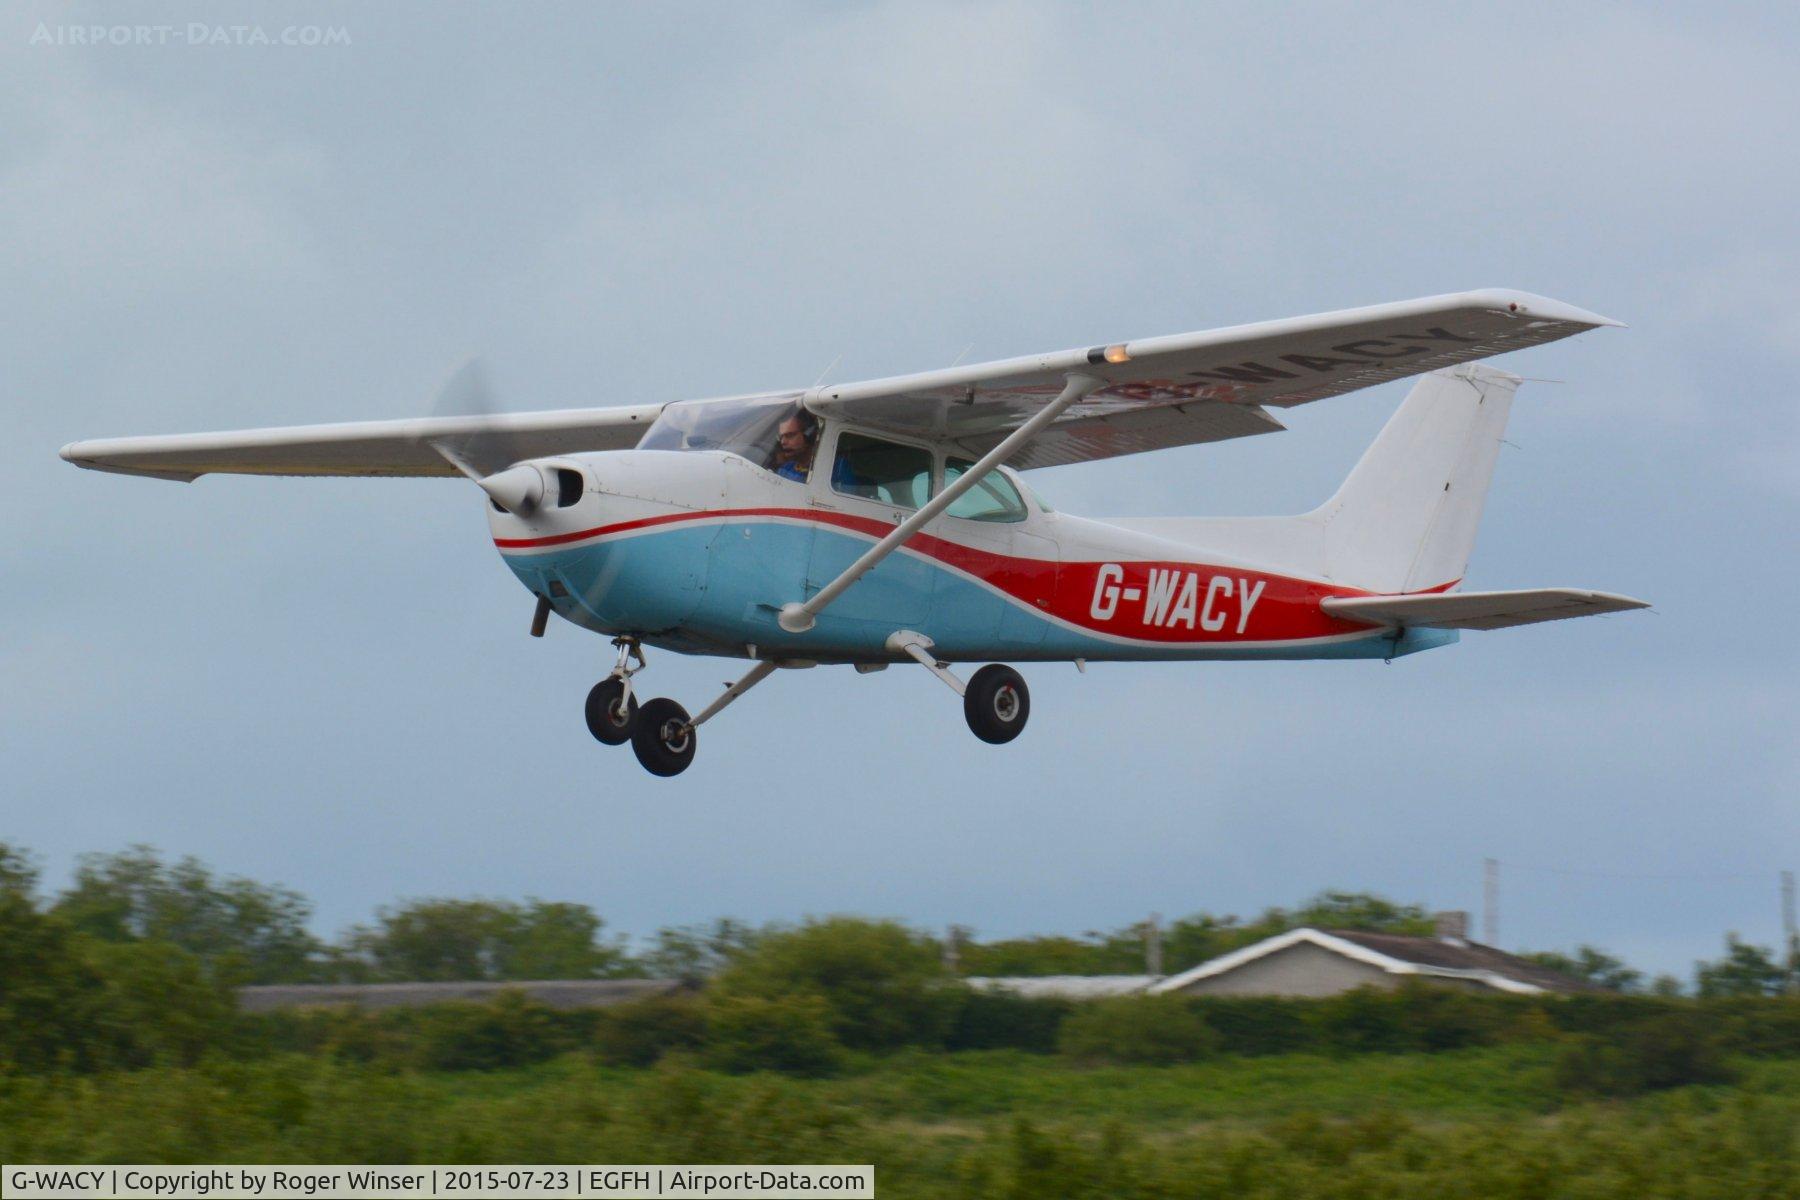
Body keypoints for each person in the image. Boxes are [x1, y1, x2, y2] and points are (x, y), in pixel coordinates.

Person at [772, 408, 818, 481]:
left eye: (790, 435)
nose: (783, 442)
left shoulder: (836, 469)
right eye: (781, 437)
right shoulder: (785, 468)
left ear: (809, 436)